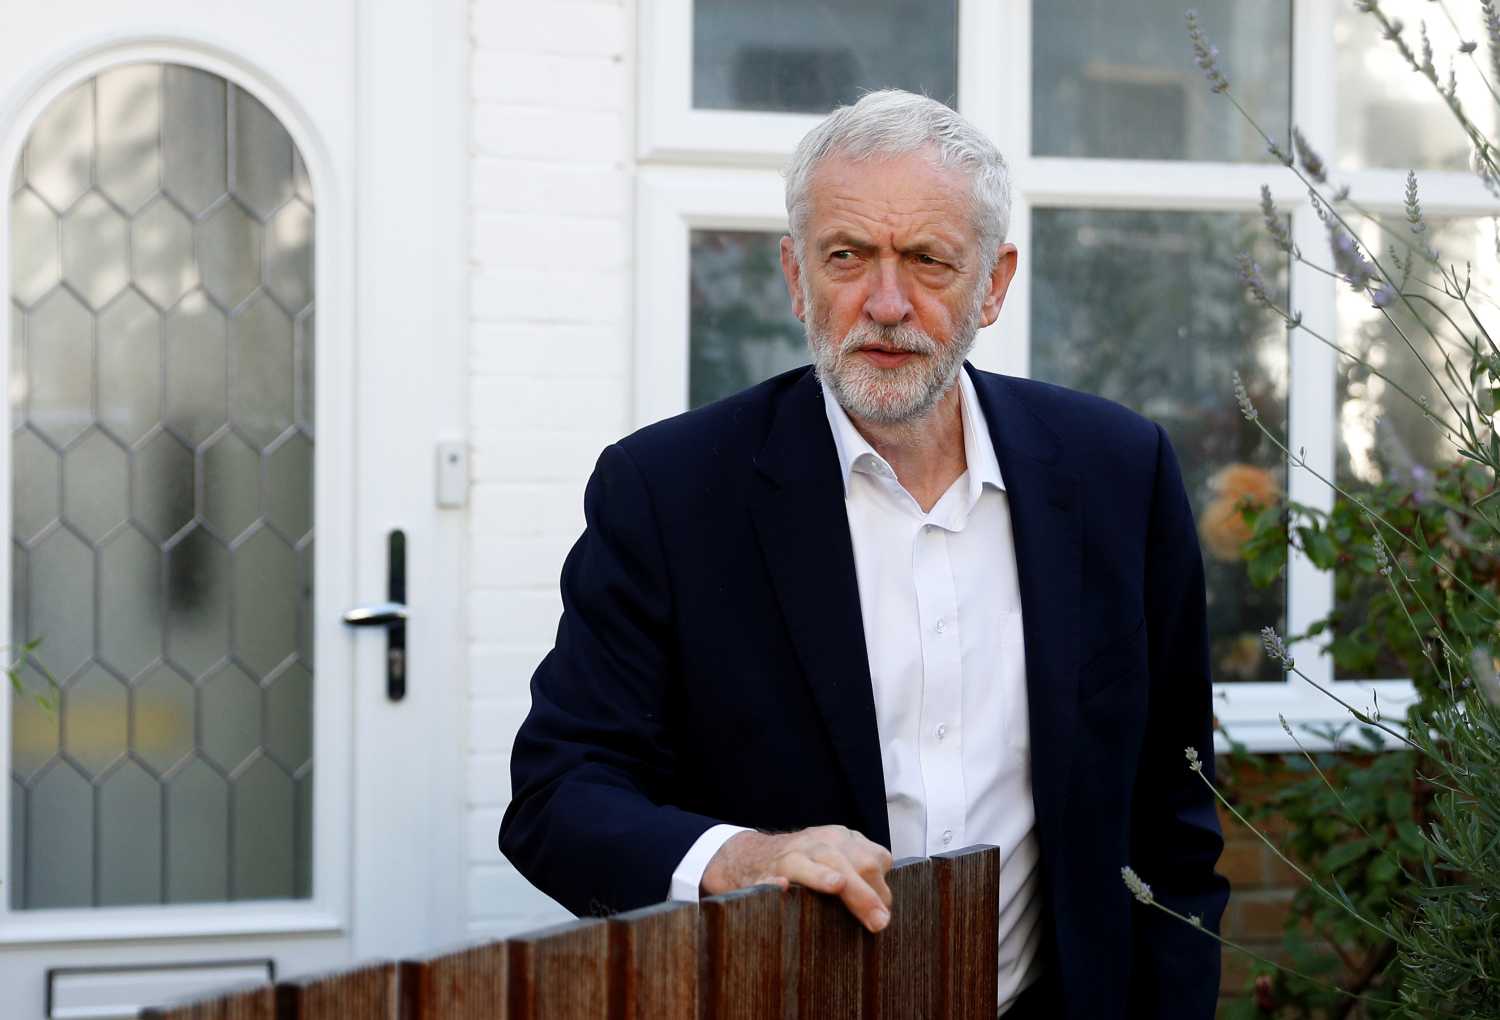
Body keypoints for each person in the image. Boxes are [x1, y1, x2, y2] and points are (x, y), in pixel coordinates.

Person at [500, 90, 1229, 1018]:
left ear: (995, 283)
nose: (887, 304)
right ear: (797, 277)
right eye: (847, 257)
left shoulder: (1118, 473)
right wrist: (743, 858)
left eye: (929, 260)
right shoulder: (669, 492)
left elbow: (1172, 821)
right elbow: (559, 797)